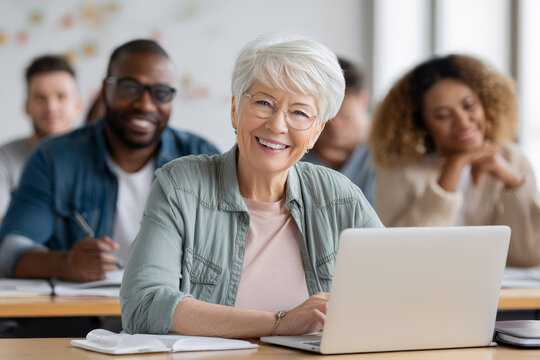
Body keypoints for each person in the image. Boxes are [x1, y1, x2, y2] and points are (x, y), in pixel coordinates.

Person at [120, 34, 382, 338]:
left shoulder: (340, 197)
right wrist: (279, 323)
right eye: (263, 103)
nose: (277, 125)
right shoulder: (182, 186)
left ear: (316, 131)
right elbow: (143, 305)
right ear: (235, 109)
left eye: (299, 112)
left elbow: (397, 290)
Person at [0, 39, 220, 281]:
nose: (145, 105)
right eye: (130, 88)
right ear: (106, 90)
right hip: (84, 315)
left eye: (161, 93)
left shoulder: (202, 158)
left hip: (172, 312)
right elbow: (10, 252)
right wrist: (66, 264)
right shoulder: (53, 158)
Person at [370, 54, 540, 267]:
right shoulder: (398, 170)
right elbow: (403, 258)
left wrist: (513, 182)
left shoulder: (513, 159)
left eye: (469, 106)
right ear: (421, 124)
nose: (463, 122)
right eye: (443, 115)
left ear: (485, 104)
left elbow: (531, 255)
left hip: (504, 298)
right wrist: (450, 175)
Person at [0, 55, 81, 219]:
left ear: (77, 105)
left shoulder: (100, 156)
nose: (51, 107)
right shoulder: (5, 158)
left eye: (61, 96)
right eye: (40, 98)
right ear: (27, 106)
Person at [303, 57, 376, 204]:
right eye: (326, 117)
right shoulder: (292, 151)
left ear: (363, 101)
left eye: (345, 117)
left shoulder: (387, 155)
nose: (335, 127)